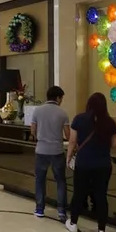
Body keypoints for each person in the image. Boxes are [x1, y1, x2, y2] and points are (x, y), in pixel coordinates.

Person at [65, 92, 116, 232]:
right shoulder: (110, 122)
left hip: (83, 162)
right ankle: (101, 230)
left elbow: (72, 141)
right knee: (101, 196)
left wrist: (68, 157)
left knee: (79, 193)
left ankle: (73, 223)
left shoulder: (79, 119)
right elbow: (115, 144)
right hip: (103, 164)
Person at [30, 86, 69, 221]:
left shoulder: (37, 111)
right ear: (57, 98)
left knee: (40, 180)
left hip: (41, 150)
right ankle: (61, 211)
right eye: (61, 98)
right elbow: (68, 135)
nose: (61, 101)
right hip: (57, 151)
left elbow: (33, 131)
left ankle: (40, 209)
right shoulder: (63, 113)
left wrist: (41, 136)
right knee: (61, 181)